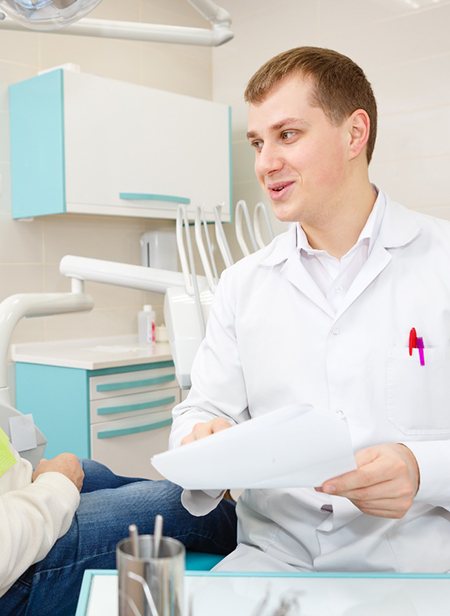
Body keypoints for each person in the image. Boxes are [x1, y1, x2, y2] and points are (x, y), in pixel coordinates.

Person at [169, 46, 450, 572]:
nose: (264, 163)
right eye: (257, 142)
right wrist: (201, 435)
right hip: (272, 562)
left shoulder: (442, 263)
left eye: (288, 135)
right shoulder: (243, 284)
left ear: (354, 134)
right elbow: (201, 410)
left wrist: (423, 469)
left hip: (417, 569)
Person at [0, 439, 237, 615]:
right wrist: (57, 483)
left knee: (91, 471)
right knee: (179, 503)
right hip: (14, 570)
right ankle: (255, 536)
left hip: (15, 506)